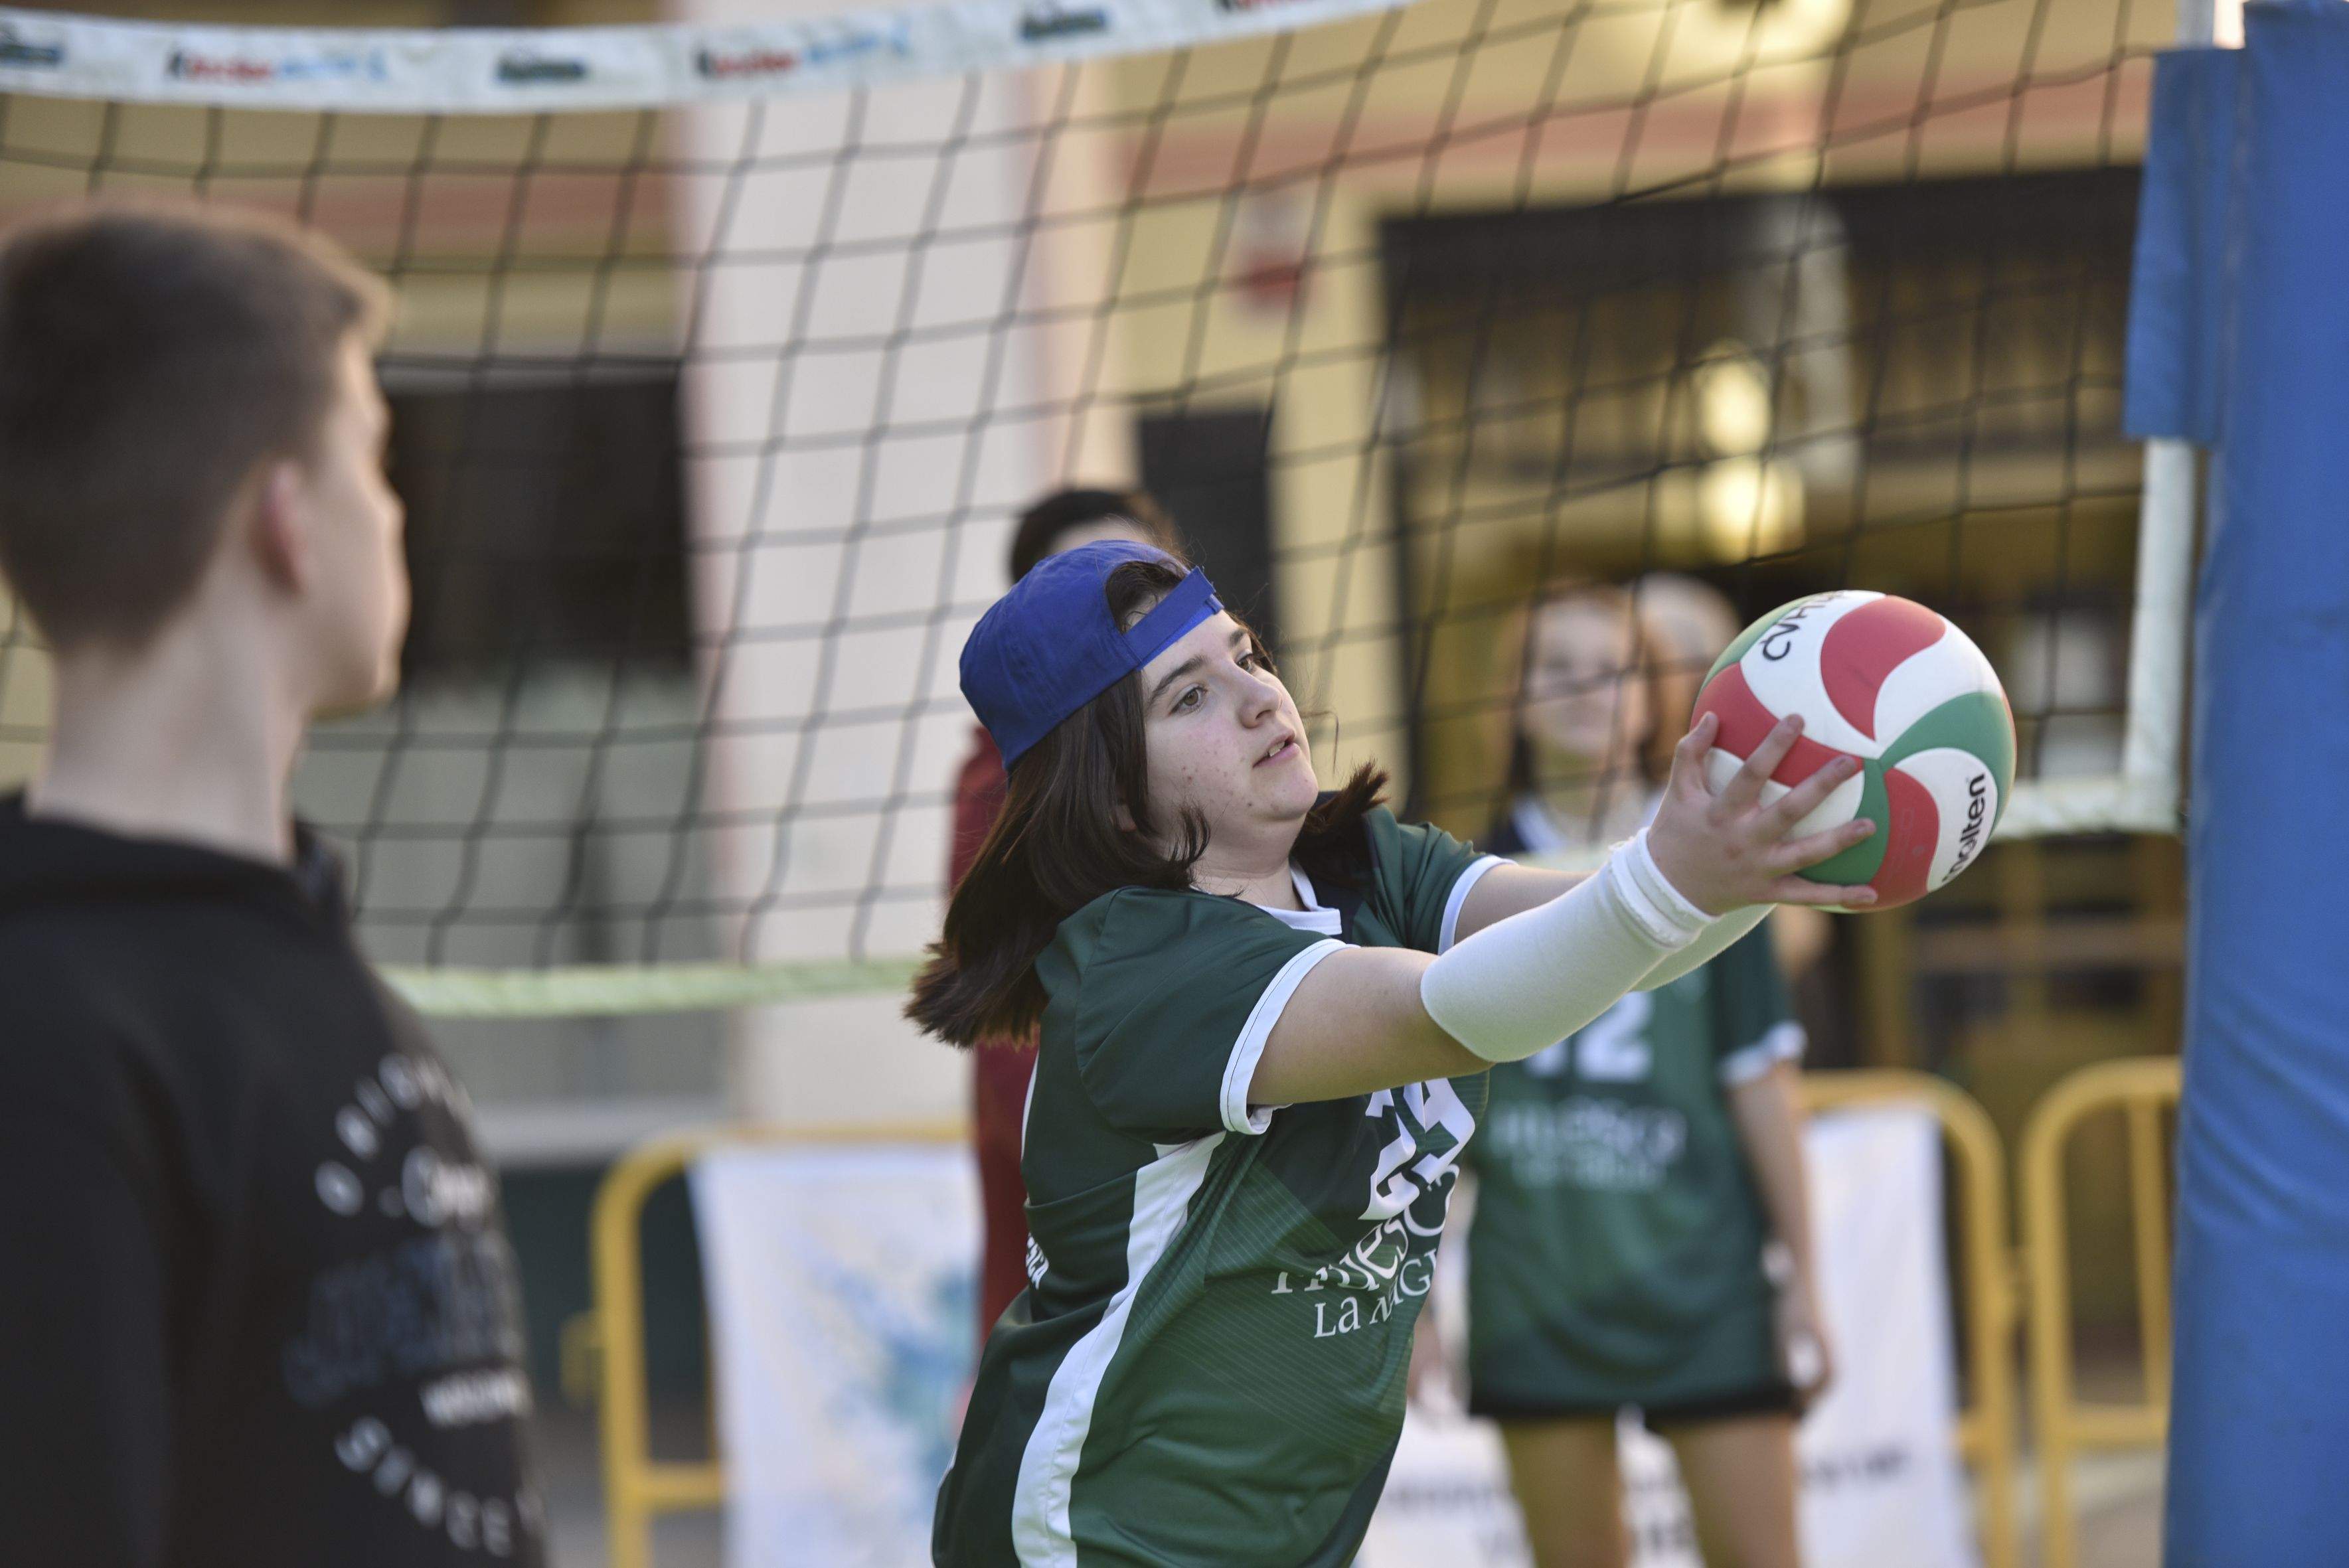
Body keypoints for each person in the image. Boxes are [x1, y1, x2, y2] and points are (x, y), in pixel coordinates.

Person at [908, 540, 1876, 1565]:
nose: (1256, 698)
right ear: (1108, 793)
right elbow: (1462, 1009)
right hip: (1099, 1533)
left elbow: (1603, 932)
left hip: (1285, 1533)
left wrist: (1747, 860)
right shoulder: (1138, 968)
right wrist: (1681, 878)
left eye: (1245, 655)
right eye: (1188, 696)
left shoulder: (1360, 865)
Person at [0, 203, 543, 1567]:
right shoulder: (48, 1038)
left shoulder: (305, 962)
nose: (397, 506)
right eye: (374, 455)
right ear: (288, 521)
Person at [1459, 579, 1831, 1568]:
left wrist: (1804, 1278)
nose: (1586, 687)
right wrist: (1411, 1308)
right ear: (1513, 698)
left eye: (1612, 666)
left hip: (1702, 1279)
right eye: (1556, 666)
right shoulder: (1460, 879)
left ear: (1651, 699)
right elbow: (1428, 1109)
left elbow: (1761, 1086)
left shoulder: (1721, 870)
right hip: (1536, 1283)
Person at [949, 487, 1184, 1345]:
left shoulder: (1240, 733)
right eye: (1079, 589)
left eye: (1134, 580)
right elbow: (1009, 1025)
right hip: (1096, 1222)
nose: (1116, 610)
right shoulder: (1003, 781)